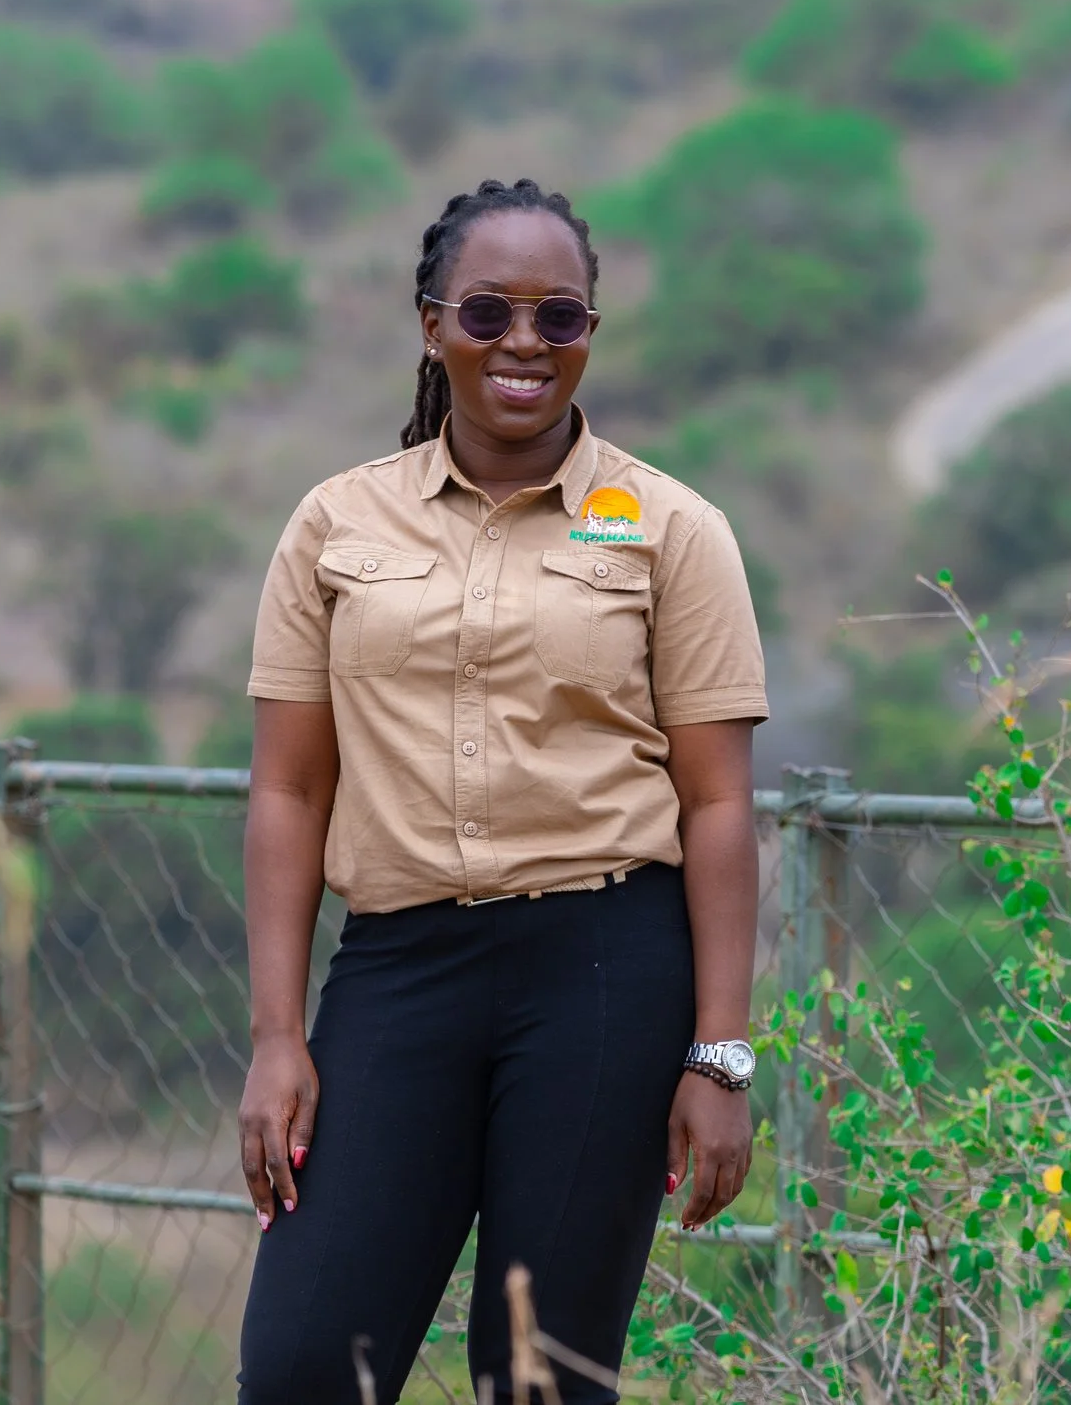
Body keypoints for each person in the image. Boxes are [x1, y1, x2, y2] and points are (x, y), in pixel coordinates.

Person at [233, 179, 769, 1403]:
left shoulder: (673, 529)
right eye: (487, 313)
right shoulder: (334, 523)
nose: (523, 342)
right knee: (304, 1362)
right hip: (396, 972)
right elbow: (289, 789)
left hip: (603, 973)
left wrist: (719, 1055)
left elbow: (717, 805)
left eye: (557, 317)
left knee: (537, 1375)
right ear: (433, 326)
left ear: (589, 333)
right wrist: (276, 1035)